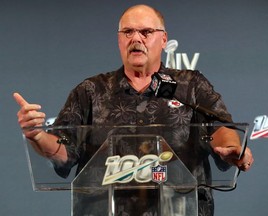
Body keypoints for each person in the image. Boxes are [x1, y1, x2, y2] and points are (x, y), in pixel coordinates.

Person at [14, 4, 254, 216]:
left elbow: (219, 127)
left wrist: (232, 146)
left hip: (181, 209)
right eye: (127, 32)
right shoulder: (90, 90)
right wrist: (37, 135)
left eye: (146, 32)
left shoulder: (190, 85)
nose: (136, 38)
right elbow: (63, 151)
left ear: (163, 39)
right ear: (119, 40)